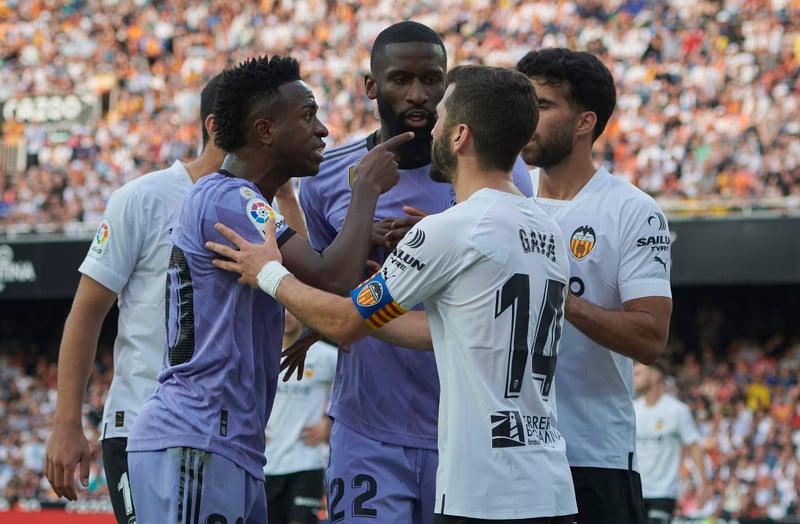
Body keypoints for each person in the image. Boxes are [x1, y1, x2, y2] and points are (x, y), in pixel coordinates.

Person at [207, 64, 578, 524]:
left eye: (442, 116)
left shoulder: (448, 230)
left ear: (460, 136)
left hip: (483, 490)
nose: (431, 124)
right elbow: (442, 328)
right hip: (550, 483)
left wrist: (267, 273)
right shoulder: (548, 229)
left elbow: (346, 321)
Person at [125, 55, 411, 523]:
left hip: (229, 443)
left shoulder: (242, 199)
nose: (322, 130)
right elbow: (333, 277)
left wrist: (363, 239)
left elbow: (322, 276)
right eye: (308, 115)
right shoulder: (228, 197)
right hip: (198, 436)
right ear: (265, 131)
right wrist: (364, 189)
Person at [297, 21, 533, 524]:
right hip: (368, 428)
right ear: (371, 86)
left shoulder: (502, 172)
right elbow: (326, 290)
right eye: (401, 79)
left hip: (466, 429)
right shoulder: (327, 178)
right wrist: (356, 239)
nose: (418, 94)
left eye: (431, 79)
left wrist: (435, 240)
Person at [44, 73, 226, 524]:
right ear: (216, 126)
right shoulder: (144, 197)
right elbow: (87, 312)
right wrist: (67, 423)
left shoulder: (264, 210)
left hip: (225, 437)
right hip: (142, 426)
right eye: (265, 123)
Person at [516, 48, 673, 524]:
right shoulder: (505, 203)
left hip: (594, 456)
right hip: (511, 455)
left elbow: (650, 338)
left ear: (584, 122)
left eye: (542, 105)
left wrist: (564, 300)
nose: (526, 117)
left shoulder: (632, 210)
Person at [265, 309, 337, 524]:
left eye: (293, 309)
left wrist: (329, 423)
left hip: (307, 462)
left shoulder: (325, 355)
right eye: (281, 309)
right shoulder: (263, 353)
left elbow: (354, 390)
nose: (287, 316)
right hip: (266, 463)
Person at [634, 362, 707, 524]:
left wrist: (703, 484)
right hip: (636, 491)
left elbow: (694, 446)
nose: (634, 378)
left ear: (655, 376)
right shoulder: (633, 409)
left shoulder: (677, 410)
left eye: (638, 373)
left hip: (663, 492)